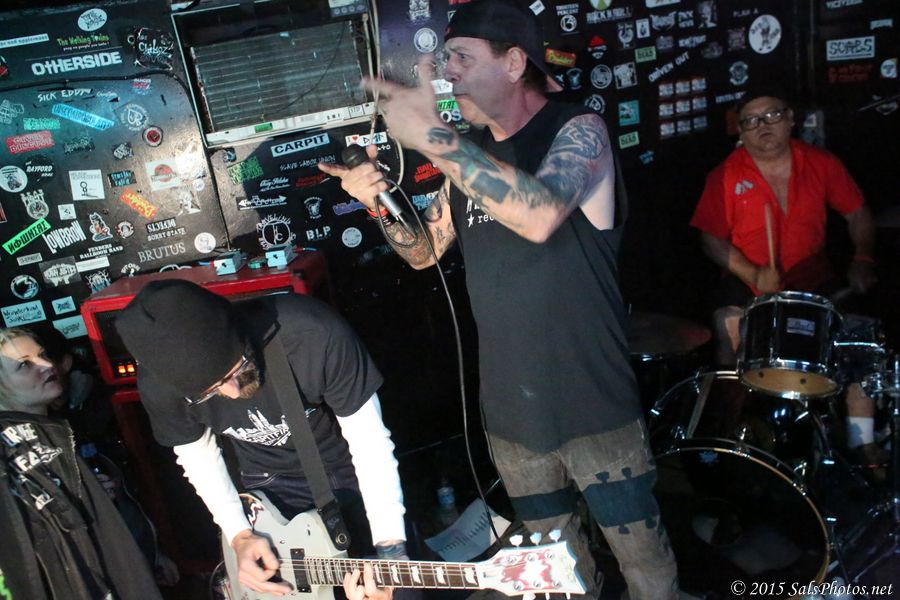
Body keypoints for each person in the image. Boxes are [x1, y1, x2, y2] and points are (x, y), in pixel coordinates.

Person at [319, 1, 679, 598]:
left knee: (643, 563)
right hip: (512, 414)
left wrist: (432, 137)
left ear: (514, 63)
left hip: (595, 406)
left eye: (462, 57)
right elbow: (423, 252)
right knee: (554, 570)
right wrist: (378, 202)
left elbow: (538, 214)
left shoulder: (577, 130)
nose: (448, 72)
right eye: (446, 61)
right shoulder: (469, 157)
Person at [115, 279, 409, 598]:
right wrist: (239, 534)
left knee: (398, 592)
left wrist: (390, 548)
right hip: (265, 486)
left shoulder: (311, 333)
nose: (232, 392)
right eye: (210, 390)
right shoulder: (161, 385)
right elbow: (198, 458)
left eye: (234, 370)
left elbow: (369, 444)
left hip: (343, 469)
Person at [690, 83, 884, 469]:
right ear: (740, 130)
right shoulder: (725, 175)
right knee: (729, 340)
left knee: (859, 342)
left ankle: (862, 443)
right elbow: (710, 240)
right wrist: (752, 272)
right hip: (747, 279)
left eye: (772, 115)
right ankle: (731, 437)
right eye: (751, 121)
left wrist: (863, 257)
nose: (763, 126)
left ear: (791, 119)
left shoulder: (821, 163)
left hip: (812, 275)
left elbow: (858, 214)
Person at [0, 327, 162, 600]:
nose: (46, 365)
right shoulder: (8, 453)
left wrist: (153, 555)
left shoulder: (65, 429)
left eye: (42, 355)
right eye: (24, 364)